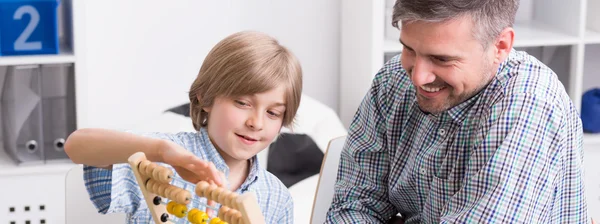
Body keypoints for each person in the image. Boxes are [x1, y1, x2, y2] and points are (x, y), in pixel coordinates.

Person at [325, 0, 589, 223]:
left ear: (500, 47)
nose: (418, 77)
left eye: (442, 59)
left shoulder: (529, 103)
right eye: (409, 49)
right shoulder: (392, 80)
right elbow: (354, 206)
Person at [64, 30, 303, 223]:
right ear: (205, 98)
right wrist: (162, 151)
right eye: (242, 103)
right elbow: (76, 146)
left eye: (273, 113)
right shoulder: (158, 161)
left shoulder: (277, 198)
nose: (256, 123)